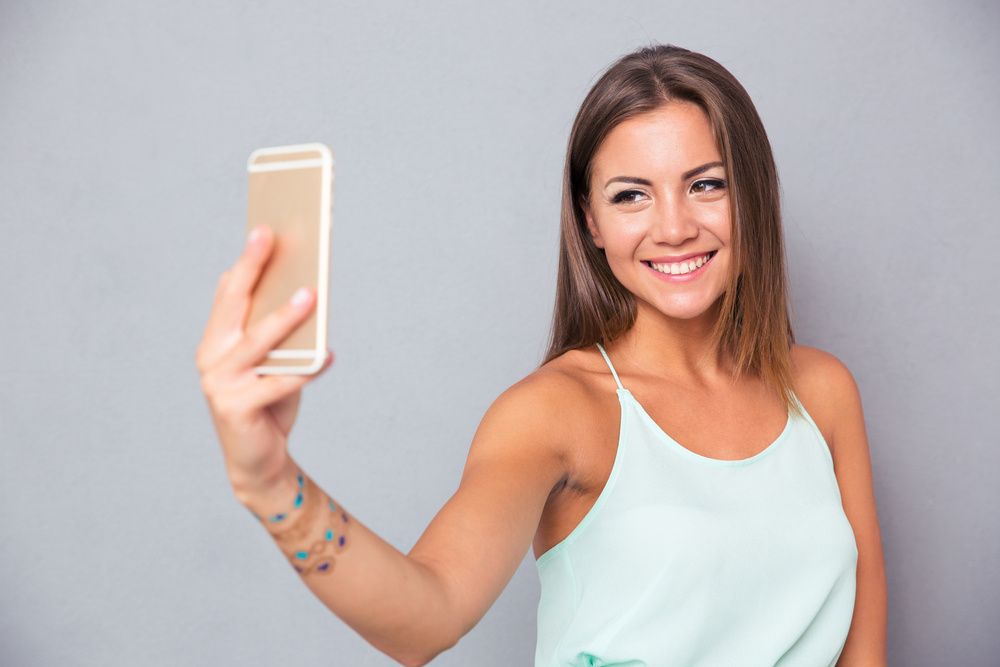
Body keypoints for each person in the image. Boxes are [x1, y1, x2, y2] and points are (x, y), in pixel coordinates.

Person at [197, 44, 887, 666]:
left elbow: (863, 649)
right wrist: (270, 481)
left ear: (753, 193)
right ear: (590, 222)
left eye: (707, 183)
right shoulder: (557, 410)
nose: (675, 226)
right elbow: (425, 616)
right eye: (630, 196)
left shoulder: (821, 390)